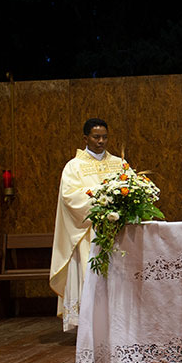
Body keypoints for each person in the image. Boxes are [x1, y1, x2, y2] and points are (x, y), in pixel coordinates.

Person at [49, 118, 123, 332]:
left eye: (105, 137)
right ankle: (88, 328)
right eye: (96, 137)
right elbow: (70, 197)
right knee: (88, 275)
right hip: (87, 232)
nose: (101, 141)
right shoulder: (74, 167)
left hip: (117, 232)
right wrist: (103, 203)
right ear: (85, 138)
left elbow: (128, 190)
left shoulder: (118, 163)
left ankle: (117, 326)